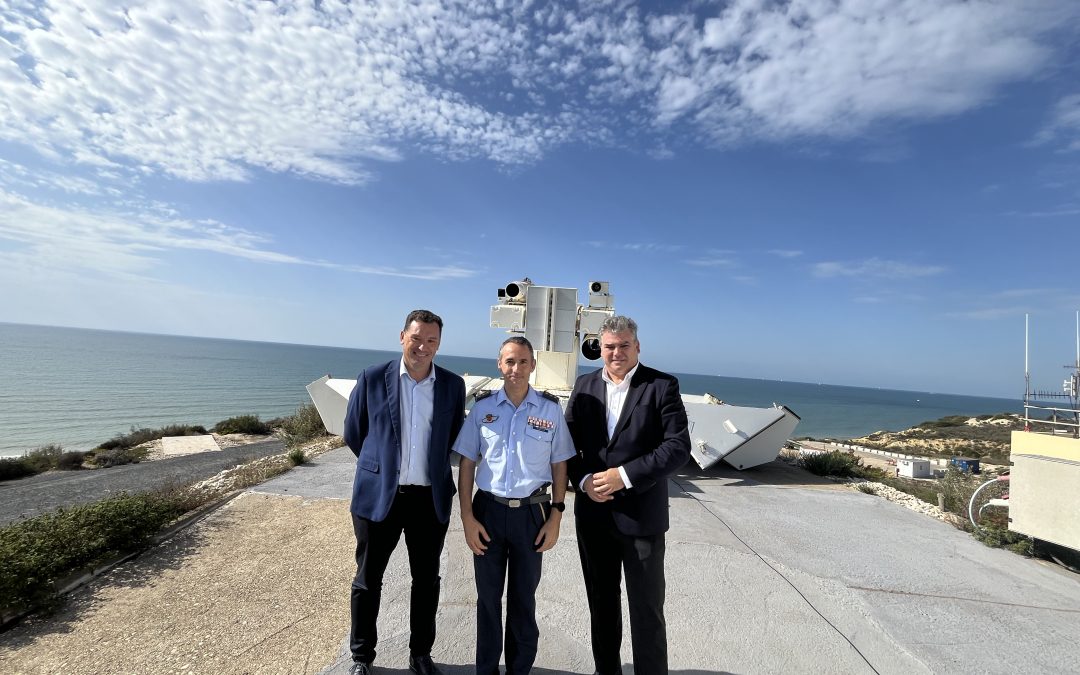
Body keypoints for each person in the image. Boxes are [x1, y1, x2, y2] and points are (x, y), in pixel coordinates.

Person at [343, 309, 466, 675]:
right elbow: (355, 432)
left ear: (439, 344)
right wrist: (380, 468)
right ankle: (361, 657)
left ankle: (420, 654)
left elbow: (452, 437)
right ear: (402, 337)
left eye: (431, 341)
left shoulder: (451, 385)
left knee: (426, 580)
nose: (423, 347)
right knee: (368, 579)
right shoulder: (371, 378)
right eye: (416, 338)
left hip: (429, 499)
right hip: (379, 496)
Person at [565, 315, 690, 675]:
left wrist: (624, 476)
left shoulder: (661, 386)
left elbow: (678, 447)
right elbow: (567, 445)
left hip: (641, 519)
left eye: (623, 345)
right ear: (599, 349)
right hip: (593, 518)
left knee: (647, 610)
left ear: (637, 346)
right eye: (609, 346)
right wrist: (584, 480)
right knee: (601, 606)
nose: (616, 352)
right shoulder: (584, 385)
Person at [453, 336, 575, 675]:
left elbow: (560, 463)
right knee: (488, 602)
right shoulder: (482, 408)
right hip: (487, 513)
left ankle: (519, 669)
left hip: (532, 515)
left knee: (524, 600)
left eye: (522, 361)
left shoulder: (550, 410)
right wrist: (466, 516)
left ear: (533, 365)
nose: (516, 369)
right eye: (509, 361)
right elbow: (466, 463)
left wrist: (556, 516)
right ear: (499, 364)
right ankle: (486, 670)